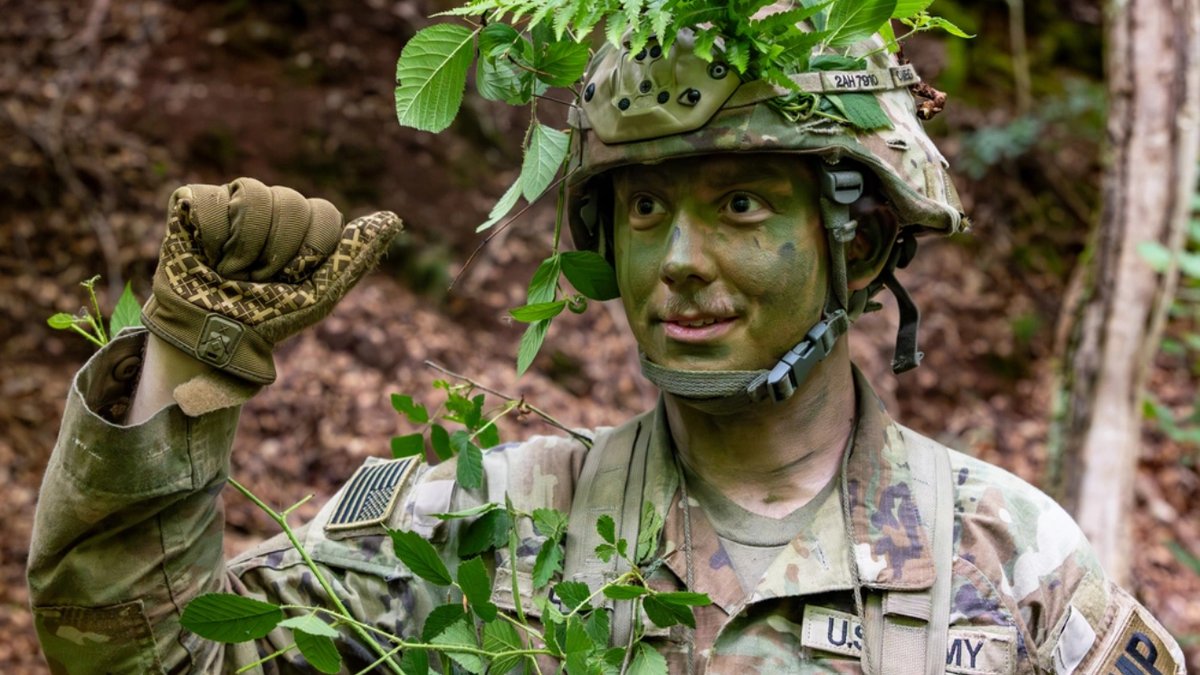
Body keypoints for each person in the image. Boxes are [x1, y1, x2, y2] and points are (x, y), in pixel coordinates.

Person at [28, 27, 1184, 675]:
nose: (676, 259)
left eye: (739, 206)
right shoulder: (477, 532)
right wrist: (191, 357)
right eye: (642, 212)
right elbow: (145, 665)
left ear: (863, 238)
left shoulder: (1012, 565)